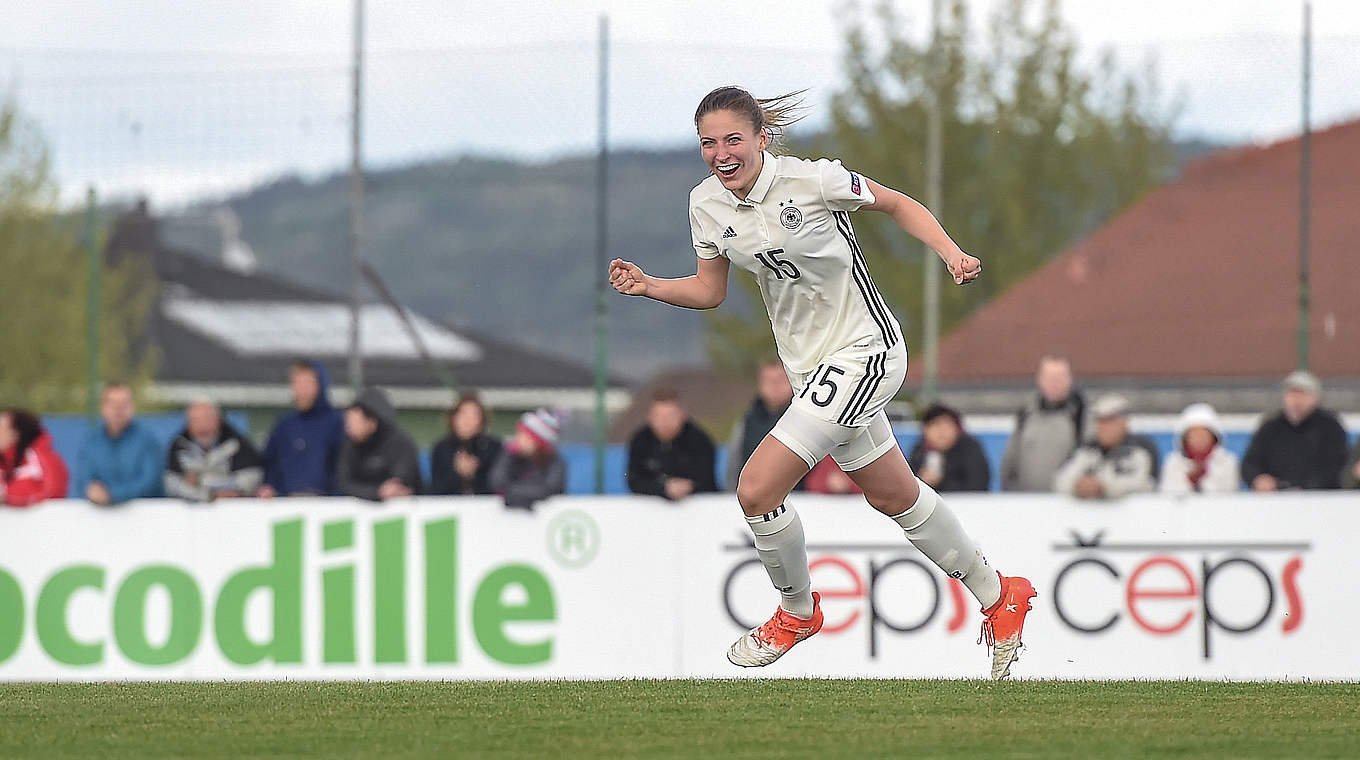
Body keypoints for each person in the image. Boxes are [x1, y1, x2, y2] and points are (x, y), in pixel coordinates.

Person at [607, 86, 1033, 679]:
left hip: (868, 351)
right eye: (708, 143)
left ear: (761, 138)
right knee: (893, 494)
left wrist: (951, 253)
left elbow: (898, 204)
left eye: (734, 139)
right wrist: (650, 285)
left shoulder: (815, 181)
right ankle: (1000, 595)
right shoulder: (705, 204)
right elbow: (710, 290)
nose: (721, 154)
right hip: (810, 372)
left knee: (756, 488)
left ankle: (797, 611)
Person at [1241, 371, 1349, 491]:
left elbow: (1338, 466)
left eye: (1302, 394)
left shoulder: (1330, 427)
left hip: (1321, 499)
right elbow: (1250, 463)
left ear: (1315, 397)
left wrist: (1307, 487)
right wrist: (1258, 479)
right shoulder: (1270, 427)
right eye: (1292, 394)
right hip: (1276, 499)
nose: (1297, 400)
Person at [259, 360, 345, 497]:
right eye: (296, 383)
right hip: (287, 505)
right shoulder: (284, 426)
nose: (301, 390)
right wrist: (270, 488)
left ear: (320, 385)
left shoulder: (337, 423)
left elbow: (343, 467)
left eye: (306, 383)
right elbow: (271, 466)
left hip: (327, 506)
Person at [1000, 355, 1085, 492]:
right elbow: (1010, 461)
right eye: (1050, 378)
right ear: (1040, 380)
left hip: (1067, 505)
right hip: (1027, 503)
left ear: (1070, 380)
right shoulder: (1026, 414)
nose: (1055, 383)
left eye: (1060, 377)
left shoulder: (1081, 417)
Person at [1053, 394, 1156, 500]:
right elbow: (1060, 480)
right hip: (1089, 514)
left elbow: (1144, 483)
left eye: (1111, 421)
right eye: (1100, 421)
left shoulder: (1141, 450)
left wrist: (1104, 487)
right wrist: (1076, 485)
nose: (1104, 427)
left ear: (1125, 423)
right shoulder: (1085, 451)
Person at [75, 384, 163, 505]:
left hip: (143, 517)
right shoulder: (91, 441)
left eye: (124, 403)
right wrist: (91, 491)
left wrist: (112, 494)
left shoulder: (148, 440)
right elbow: (84, 478)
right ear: (103, 407)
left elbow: (149, 481)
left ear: (133, 407)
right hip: (99, 517)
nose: (118, 408)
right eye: (113, 403)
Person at [626, 389, 719, 501]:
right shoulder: (640, 441)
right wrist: (663, 488)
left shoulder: (700, 440)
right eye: (659, 416)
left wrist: (686, 487)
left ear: (683, 415)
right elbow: (634, 480)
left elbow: (706, 478)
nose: (665, 422)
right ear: (650, 417)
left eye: (670, 415)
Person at [164, 399, 264, 502]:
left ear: (218, 420)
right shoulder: (178, 445)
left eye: (207, 419)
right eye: (195, 420)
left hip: (232, 509)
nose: (201, 426)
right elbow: (171, 485)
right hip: (191, 513)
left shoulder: (238, 444)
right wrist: (208, 496)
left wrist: (199, 482)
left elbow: (251, 480)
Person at [336, 387, 423, 502]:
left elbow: (403, 479)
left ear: (372, 422)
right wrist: (376, 492)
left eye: (353, 421)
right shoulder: (349, 445)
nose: (348, 427)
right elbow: (344, 482)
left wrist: (391, 489)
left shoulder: (400, 443)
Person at [724, 359, 794, 491]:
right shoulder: (746, 423)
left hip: (804, 501)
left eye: (780, 379)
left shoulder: (805, 419)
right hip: (758, 498)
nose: (775, 386)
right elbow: (734, 465)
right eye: (768, 381)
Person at [489, 408, 567, 510]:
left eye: (524, 435)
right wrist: (509, 454)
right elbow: (497, 482)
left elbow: (550, 489)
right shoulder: (510, 455)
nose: (518, 439)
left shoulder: (554, 462)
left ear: (537, 441)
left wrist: (515, 496)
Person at [907, 403, 992, 492]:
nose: (942, 432)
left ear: (957, 429)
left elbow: (978, 485)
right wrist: (921, 483)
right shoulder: (919, 451)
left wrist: (941, 482)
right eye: (936, 425)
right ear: (925, 430)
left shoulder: (970, 449)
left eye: (947, 426)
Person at [1159, 403, 1241, 494]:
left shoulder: (1227, 461)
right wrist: (1191, 480)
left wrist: (1204, 478)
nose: (1199, 439)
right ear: (1185, 438)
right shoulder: (1173, 462)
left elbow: (1230, 494)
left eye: (1203, 434)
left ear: (1214, 437)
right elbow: (1167, 495)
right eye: (1194, 434)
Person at [429, 393, 503, 496]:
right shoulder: (441, 449)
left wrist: (474, 474)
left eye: (474, 416)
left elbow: (498, 486)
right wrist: (457, 474)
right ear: (453, 418)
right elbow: (436, 489)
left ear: (482, 420)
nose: (467, 420)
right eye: (463, 414)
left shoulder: (494, 448)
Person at [0, 409, 69, 507]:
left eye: (0, 428)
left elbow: (52, 492)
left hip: (44, 521)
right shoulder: (4, 462)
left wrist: (7, 497)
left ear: (15, 434)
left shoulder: (43, 458)